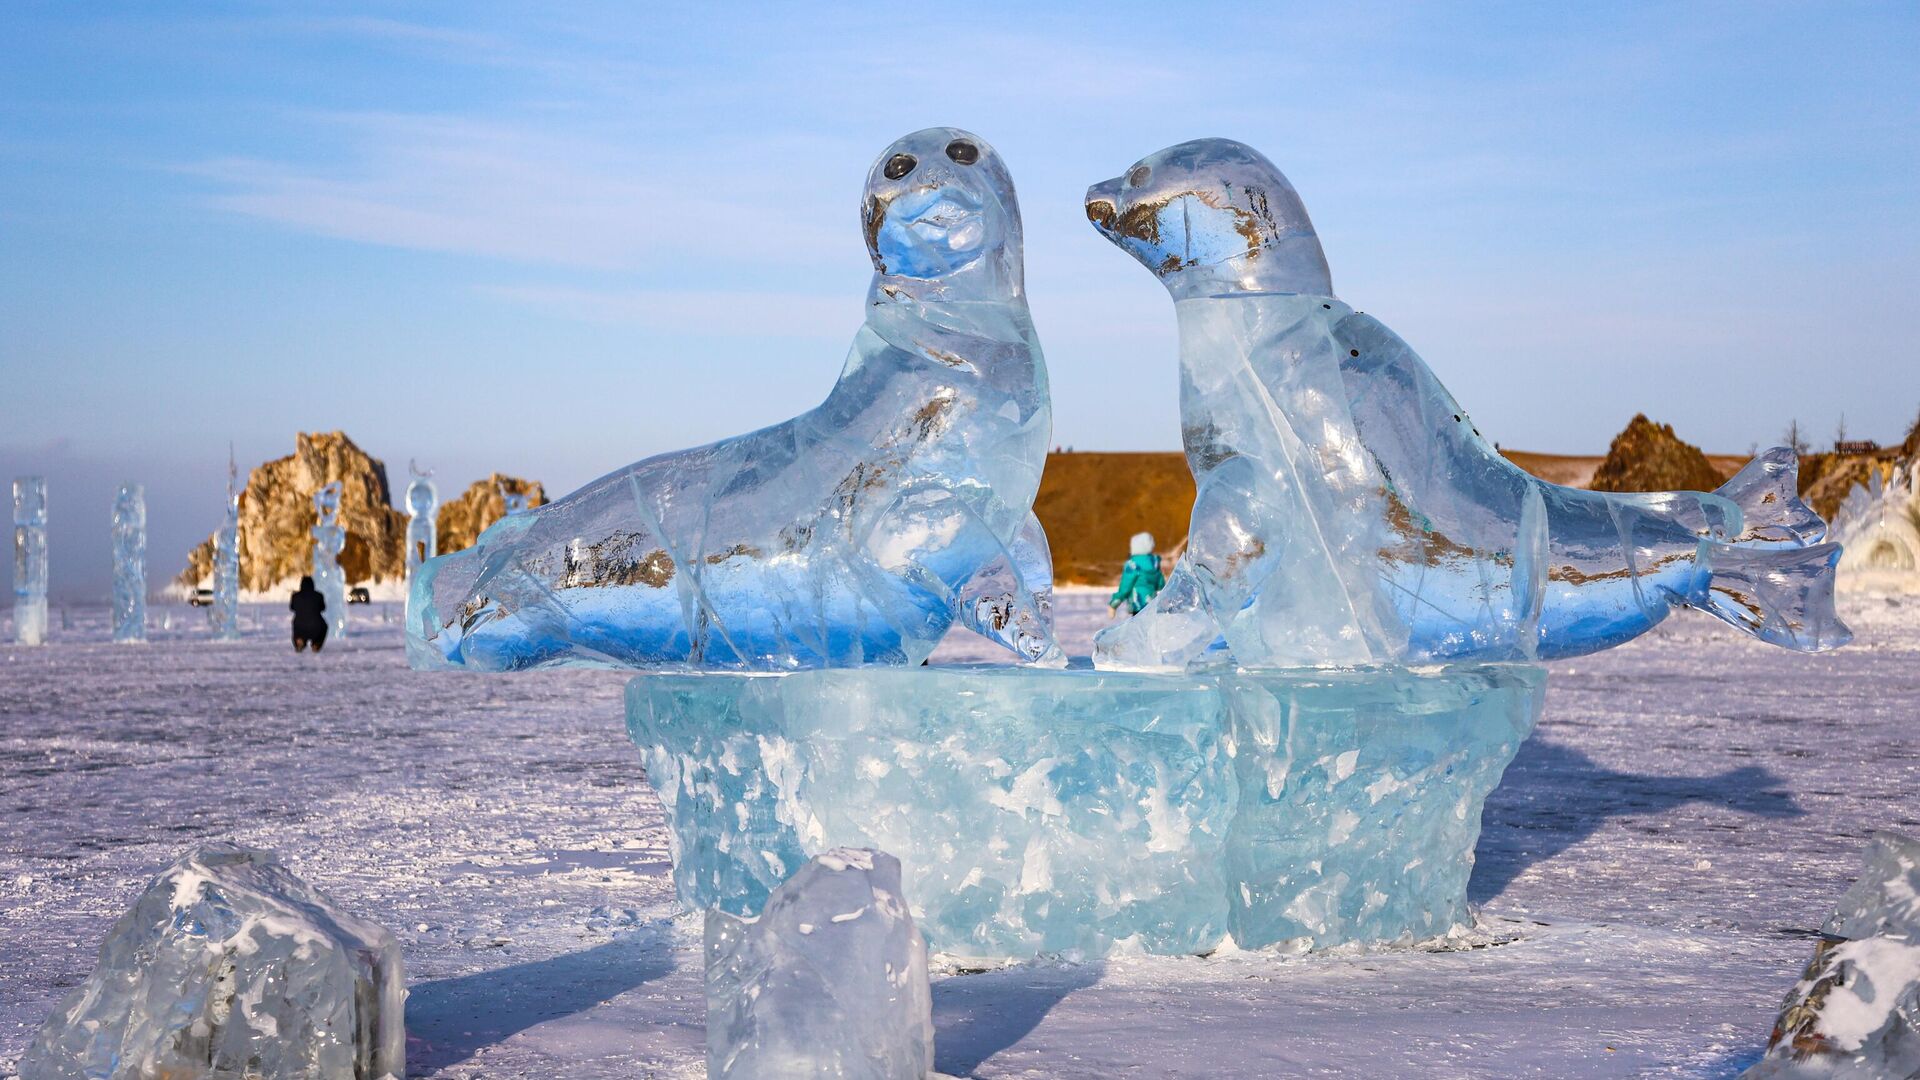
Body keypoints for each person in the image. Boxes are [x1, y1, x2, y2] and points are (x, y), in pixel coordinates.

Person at [1109, 532, 1166, 617]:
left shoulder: (1132, 564)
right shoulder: (1155, 564)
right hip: (1152, 604)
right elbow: (1161, 585)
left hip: (1137, 604)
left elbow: (1125, 587)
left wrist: (1114, 603)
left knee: (1138, 629)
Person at [290, 575, 328, 653]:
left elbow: (292, 608)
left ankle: (299, 641)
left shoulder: (295, 596)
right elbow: (323, 608)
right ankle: (316, 644)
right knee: (324, 626)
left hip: (299, 628)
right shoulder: (319, 595)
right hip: (316, 628)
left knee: (295, 624)